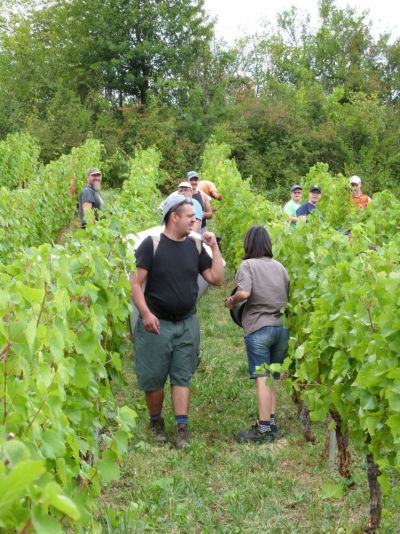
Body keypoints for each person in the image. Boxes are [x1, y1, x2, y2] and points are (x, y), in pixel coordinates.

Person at [130, 194, 224, 448]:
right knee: (154, 377)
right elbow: (135, 285)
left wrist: (214, 247)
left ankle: (182, 427)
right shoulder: (152, 244)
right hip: (156, 323)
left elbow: (216, 278)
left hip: (186, 323)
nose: (195, 223)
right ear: (174, 217)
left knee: (183, 375)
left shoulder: (194, 247)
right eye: (190, 218)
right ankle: (156, 421)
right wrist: (146, 314)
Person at [224, 226, 289, 443]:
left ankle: (262, 430)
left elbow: (244, 292)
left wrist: (231, 301)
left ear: (248, 244)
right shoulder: (280, 267)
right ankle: (271, 424)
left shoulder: (248, 265)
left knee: (261, 377)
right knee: (272, 378)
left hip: (259, 328)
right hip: (281, 328)